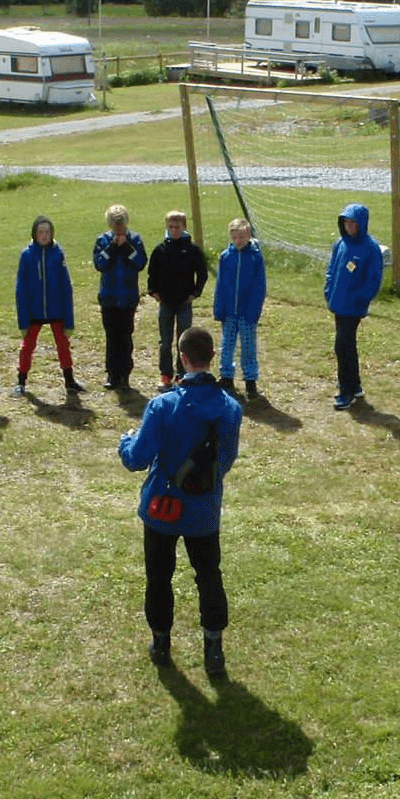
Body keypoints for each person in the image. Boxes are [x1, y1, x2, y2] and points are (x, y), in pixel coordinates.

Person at [119, 326, 243, 680]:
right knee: (209, 575)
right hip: (204, 509)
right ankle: (213, 647)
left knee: (158, 576)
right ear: (211, 358)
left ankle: (160, 642)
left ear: (183, 359)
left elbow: (136, 458)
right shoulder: (231, 409)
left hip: (163, 505)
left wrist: (123, 442)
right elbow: (226, 461)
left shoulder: (162, 406)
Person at [323, 202, 385, 410]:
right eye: (346, 223)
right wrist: (328, 289)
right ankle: (355, 385)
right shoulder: (340, 243)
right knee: (347, 345)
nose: (349, 227)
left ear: (362, 224)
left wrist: (360, 298)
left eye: (353, 223)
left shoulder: (370, 248)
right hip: (338, 304)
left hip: (353, 307)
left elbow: (373, 279)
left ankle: (346, 391)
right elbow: (331, 269)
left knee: (342, 347)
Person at [13, 215, 82, 397]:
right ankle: (21, 381)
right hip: (34, 310)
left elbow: (66, 286)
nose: (44, 236)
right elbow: (21, 287)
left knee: (63, 344)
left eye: (47, 232)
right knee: (27, 346)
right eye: (40, 232)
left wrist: (69, 320)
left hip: (55, 308)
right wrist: (23, 319)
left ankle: (70, 380)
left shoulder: (58, 253)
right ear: (34, 234)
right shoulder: (27, 255)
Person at [145, 209, 209, 391]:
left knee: (184, 340)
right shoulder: (161, 249)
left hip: (184, 303)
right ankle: (165, 375)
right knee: (165, 341)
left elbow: (202, 273)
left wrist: (195, 293)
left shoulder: (192, 249)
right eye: (170, 227)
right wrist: (153, 291)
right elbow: (152, 273)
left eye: (177, 227)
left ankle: (182, 374)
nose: (174, 230)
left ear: (184, 227)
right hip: (165, 302)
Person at [92, 204, 148, 390]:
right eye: (115, 227)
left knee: (126, 335)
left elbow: (139, 263)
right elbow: (100, 264)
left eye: (121, 227)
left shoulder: (135, 240)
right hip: (109, 298)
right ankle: (112, 373)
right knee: (111, 336)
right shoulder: (102, 240)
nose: (119, 231)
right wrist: (112, 247)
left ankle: (125, 373)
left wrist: (126, 248)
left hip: (128, 298)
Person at [212, 218, 267, 400]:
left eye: (242, 237)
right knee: (226, 345)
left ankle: (250, 381)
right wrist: (219, 307)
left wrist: (254, 311)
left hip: (246, 313)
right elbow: (220, 284)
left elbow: (259, 287)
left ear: (248, 236)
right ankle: (226, 376)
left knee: (248, 347)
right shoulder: (226, 256)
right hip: (229, 312)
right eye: (235, 237)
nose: (239, 241)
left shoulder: (255, 258)